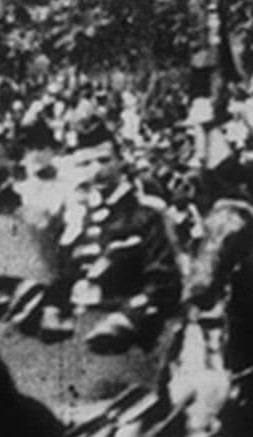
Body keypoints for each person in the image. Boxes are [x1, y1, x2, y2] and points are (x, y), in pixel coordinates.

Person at [46, 115, 183, 354]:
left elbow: (164, 282)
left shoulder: (146, 213)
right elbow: (58, 273)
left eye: (104, 160)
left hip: (127, 332)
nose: (97, 171)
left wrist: (127, 317)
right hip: (75, 328)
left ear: (121, 161)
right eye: (86, 164)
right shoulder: (74, 214)